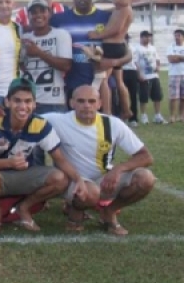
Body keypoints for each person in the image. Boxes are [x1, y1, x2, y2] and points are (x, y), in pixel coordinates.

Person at [44, 86, 156, 235]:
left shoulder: (113, 124)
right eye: (81, 101)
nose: (86, 105)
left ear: (99, 103)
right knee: (91, 192)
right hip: (73, 181)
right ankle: (75, 211)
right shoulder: (57, 120)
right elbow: (25, 116)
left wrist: (118, 170)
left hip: (104, 181)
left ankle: (109, 211)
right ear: (71, 103)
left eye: (91, 101)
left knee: (146, 179)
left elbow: (146, 157)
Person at [0, 78, 85, 232]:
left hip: (23, 174)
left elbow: (59, 158)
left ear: (34, 104)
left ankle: (24, 208)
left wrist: (78, 179)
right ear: (7, 102)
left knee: (60, 179)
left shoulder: (40, 125)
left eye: (28, 101)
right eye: (17, 101)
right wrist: (10, 163)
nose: (23, 106)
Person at [51, 0, 129, 107]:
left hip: (102, 89)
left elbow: (127, 53)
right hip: (72, 88)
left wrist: (113, 62)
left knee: (104, 127)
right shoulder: (58, 20)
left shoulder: (107, 18)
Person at [86, 0, 135, 119]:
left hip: (112, 47)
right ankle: (126, 109)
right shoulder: (119, 9)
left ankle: (107, 111)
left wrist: (98, 34)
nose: (117, 0)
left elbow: (116, 29)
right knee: (119, 81)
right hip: (117, 47)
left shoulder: (125, 10)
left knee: (103, 80)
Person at [20, 0, 73, 115]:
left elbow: (66, 66)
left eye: (42, 11)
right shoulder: (24, 38)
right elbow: (20, 66)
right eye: (34, 12)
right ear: (28, 16)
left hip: (53, 102)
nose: (38, 15)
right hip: (28, 102)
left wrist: (39, 52)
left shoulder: (61, 34)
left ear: (49, 14)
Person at [135, 30, 166, 124]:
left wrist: (158, 67)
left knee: (157, 96)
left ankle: (157, 115)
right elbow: (135, 62)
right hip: (144, 76)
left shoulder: (152, 48)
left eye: (149, 37)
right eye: (146, 36)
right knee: (144, 97)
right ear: (141, 37)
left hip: (154, 75)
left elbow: (157, 59)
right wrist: (139, 74)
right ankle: (144, 115)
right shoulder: (137, 49)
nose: (148, 38)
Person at [121, 36, 140, 126]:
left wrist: (139, 73)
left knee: (133, 95)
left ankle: (133, 118)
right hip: (121, 71)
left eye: (126, 38)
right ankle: (123, 116)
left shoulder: (133, 48)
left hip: (132, 71)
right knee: (121, 95)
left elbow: (135, 62)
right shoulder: (118, 47)